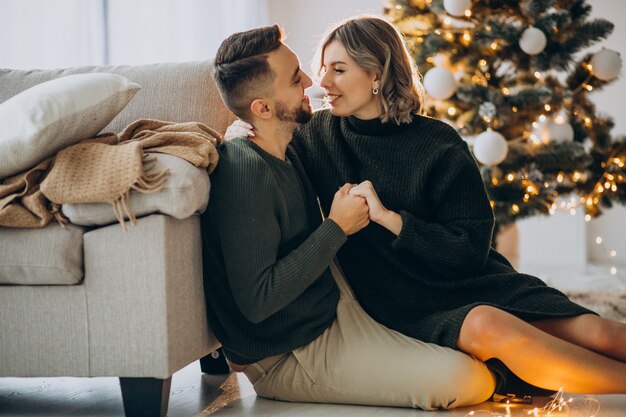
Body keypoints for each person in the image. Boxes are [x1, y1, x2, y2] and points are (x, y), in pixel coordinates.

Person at [226, 16, 626, 394]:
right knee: (489, 324)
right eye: (322, 68)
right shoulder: (316, 135)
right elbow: (268, 143)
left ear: (376, 74)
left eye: (339, 70)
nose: (321, 82)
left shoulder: (439, 144)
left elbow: (471, 250)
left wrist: (392, 220)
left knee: (600, 333)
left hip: (467, 277)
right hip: (401, 300)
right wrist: (239, 128)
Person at [201, 24, 496, 411]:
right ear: (264, 108)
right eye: (296, 78)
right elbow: (258, 301)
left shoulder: (291, 147)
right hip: (290, 351)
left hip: (332, 307)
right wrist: (337, 227)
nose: (313, 81)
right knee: (469, 380)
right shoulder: (246, 168)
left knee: (484, 334)